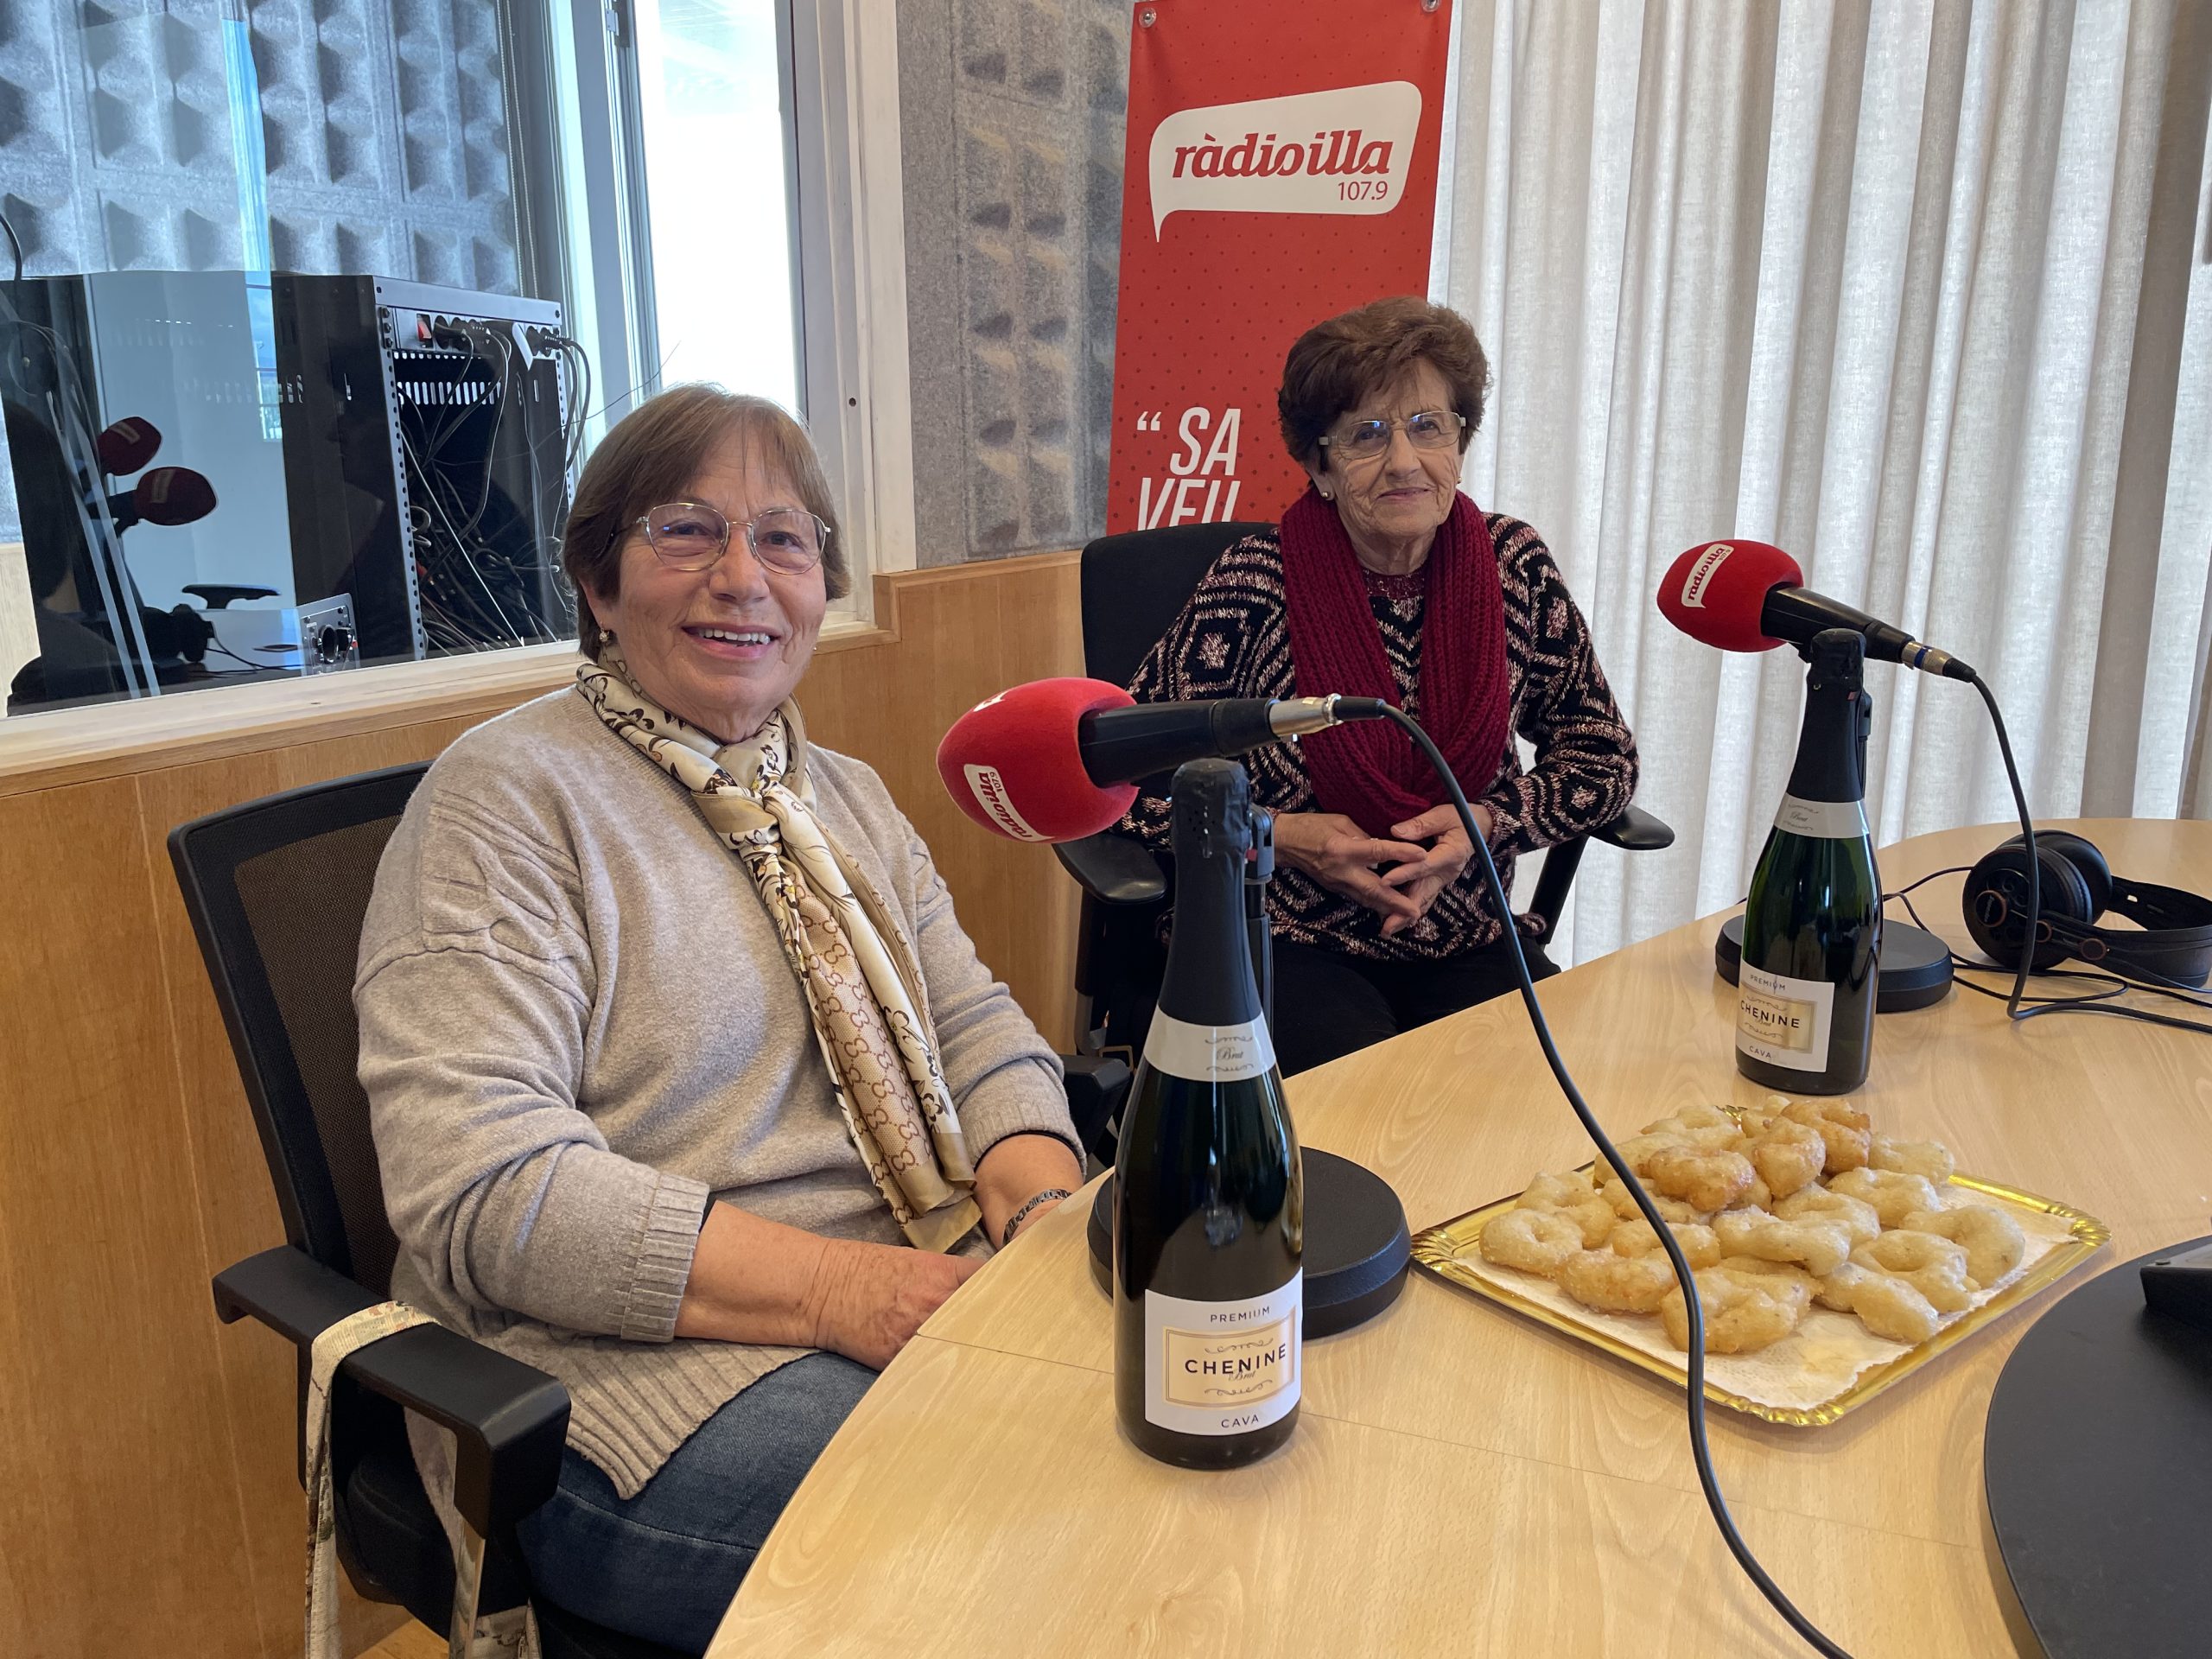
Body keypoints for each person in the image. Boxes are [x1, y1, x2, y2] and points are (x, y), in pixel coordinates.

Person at [355, 385, 1084, 1652]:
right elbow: (486, 1189)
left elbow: (975, 1028)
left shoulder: (841, 795)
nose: (742, 577)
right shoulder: (502, 803)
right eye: (686, 530)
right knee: (1036, 1534)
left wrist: (1042, 1213)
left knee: (1196, 1403)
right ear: (599, 581)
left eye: (784, 539)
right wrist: (844, 1292)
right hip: (625, 1378)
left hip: (924, 1277)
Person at [1119, 296, 1639, 1075]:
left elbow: (1604, 758)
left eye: (1429, 426)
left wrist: (1489, 823)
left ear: (1460, 441)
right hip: (1287, 938)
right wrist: (1279, 838)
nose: (1403, 461)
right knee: (1361, 1098)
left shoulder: (1515, 566)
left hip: (1470, 935)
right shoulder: (1253, 584)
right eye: (1367, 434)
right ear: (1319, 466)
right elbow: (1116, 784)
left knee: (1543, 1097)